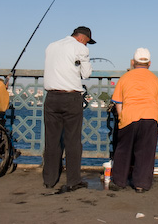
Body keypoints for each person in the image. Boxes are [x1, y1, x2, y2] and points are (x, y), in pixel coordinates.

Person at [42, 26, 94, 192]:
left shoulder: (51, 46)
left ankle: (49, 180)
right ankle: (73, 180)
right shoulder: (80, 48)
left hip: (51, 97)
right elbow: (86, 74)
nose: (87, 45)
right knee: (72, 141)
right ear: (81, 38)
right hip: (71, 98)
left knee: (52, 140)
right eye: (87, 42)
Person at [109, 48, 158, 193]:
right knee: (146, 152)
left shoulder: (125, 77)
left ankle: (119, 181)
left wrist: (121, 117)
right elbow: (156, 101)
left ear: (133, 62)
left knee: (123, 149)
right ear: (149, 63)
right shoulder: (154, 79)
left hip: (130, 115)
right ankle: (141, 184)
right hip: (151, 116)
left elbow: (118, 102)